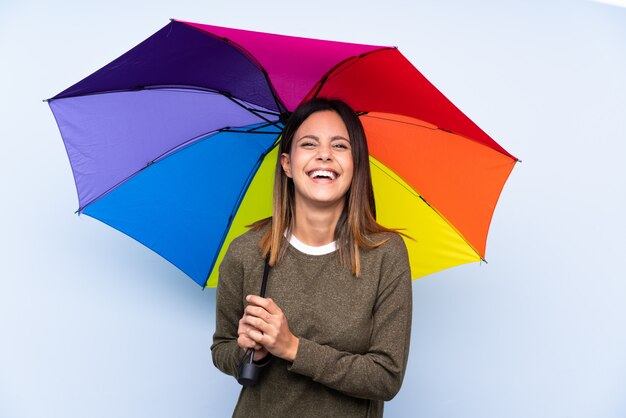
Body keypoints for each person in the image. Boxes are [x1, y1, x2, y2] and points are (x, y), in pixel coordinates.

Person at [211, 98, 412, 418]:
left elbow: (385, 377)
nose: (324, 154)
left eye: (340, 145)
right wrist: (254, 353)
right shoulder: (247, 252)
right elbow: (222, 348)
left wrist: (291, 347)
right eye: (309, 143)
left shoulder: (385, 254)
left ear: (357, 163)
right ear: (287, 164)